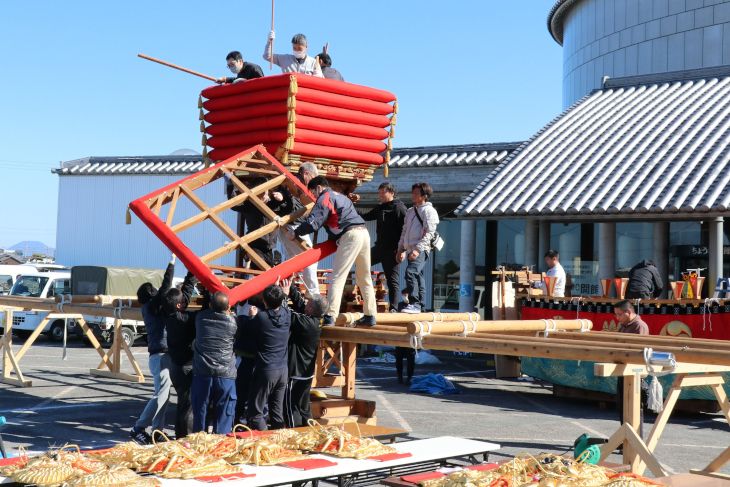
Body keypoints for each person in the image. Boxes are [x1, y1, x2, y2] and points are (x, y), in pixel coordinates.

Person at [286, 177, 377, 326]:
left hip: (350, 236)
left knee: (337, 276)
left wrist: (295, 232)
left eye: (314, 192)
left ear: (319, 188)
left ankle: (330, 316)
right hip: (363, 233)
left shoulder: (325, 198)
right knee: (364, 277)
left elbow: (314, 223)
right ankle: (370, 315)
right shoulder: (341, 197)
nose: (314, 196)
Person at [130, 255, 175, 444]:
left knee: (163, 395)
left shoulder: (148, 308)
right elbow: (166, 287)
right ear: (151, 294)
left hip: (157, 356)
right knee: (161, 395)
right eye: (154, 291)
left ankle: (157, 431)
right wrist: (171, 264)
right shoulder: (152, 306)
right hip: (161, 356)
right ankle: (139, 427)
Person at [278, 276, 327, 427]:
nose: (305, 303)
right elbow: (301, 305)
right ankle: (309, 436)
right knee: (304, 408)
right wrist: (291, 286)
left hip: (296, 372)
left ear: (311, 309)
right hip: (306, 373)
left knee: (290, 407)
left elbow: (286, 314)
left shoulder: (306, 323)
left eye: (308, 303)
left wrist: (284, 296)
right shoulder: (317, 319)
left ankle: (295, 438)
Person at [269, 162, 321, 296]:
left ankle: (283, 291)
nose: (313, 181)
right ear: (305, 174)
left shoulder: (295, 182)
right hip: (294, 226)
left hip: (287, 226)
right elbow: (285, 192)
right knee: (310, 258)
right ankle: (313, 294)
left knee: (290, 261)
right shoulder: (295, 182)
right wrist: (282, 196)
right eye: (313, 177)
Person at [191, 292, 238, 434]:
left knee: (200, 415)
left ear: (210, 305)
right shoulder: (234, 322)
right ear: (228, 307)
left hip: (202, 373)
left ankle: (198, 447)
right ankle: (221, 448)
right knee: (224, 417)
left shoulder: (200, 318)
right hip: (225, 375)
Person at [246, 284, 292, 431]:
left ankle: (265, 441)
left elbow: (249, 332)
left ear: (264, 300)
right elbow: (281, 305)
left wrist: (251, 317)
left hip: (266, 370)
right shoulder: (287, 314)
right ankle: (278, 445)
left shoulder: (261, 318)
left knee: (255, 413)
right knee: (277, 413)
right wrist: (283, 293)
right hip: (282, 370)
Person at [356, 182, 407, 312]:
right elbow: (366, 216)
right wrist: (349, 206)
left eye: (382, 192)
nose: (380, 195)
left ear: (391, 193)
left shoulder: (399, 208)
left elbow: (405, 230)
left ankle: (394, 308)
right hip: (379, 248)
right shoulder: (379, 208)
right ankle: (366, 299)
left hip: (393, 251)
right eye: (379, 193)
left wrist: (403, 250)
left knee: (392, 280)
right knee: (360, 264)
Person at [162, 270, 200, 439]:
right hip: (186, 368)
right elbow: (205, 311)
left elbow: (184, 293)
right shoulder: (185, 320)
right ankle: (186, 438)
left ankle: (179, 435)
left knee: (182, 404)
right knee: (188, 406)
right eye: (184, 300)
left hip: (175, 367)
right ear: (179, 305)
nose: (186, 299)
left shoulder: (168, 312)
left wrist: (191, 272)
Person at [397, 183, 440, 314]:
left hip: (420, 249)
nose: (413, 195)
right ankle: (420, 306)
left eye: (416, 193)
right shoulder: (410, 211)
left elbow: (429, 233)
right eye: (413, 192)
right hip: (410, 249)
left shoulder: (429, 211)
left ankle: (414, 303)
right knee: (418, 277)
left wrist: (417, 249)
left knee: (411, 273)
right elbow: (404, 231)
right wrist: (401, 249)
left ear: (424, 196)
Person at [613, 299, 649, 443]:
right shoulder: (624, 325)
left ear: (628, 312)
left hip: (635, 373)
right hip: (624, 370)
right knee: (622, 407)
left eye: (619, 314)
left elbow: (637, 350)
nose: (617, 318)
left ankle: (636, 440)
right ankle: (625, 438)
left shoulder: (639, 326)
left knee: (634, 409)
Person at [229, 176, 278, 271]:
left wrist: (283, 196)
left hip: (269, 246)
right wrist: (230, 186)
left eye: (265, 187)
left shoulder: (274, 202)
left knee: (269, 272)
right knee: (261, 269)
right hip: (255, 244)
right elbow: (234, 204)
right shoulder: (249, 204)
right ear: (254, 190)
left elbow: (288, 208)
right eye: (260, 188)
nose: (263, 191)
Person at [232, 291, 264, 425]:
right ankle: (240, 424)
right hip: (243, 360)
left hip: (257, 360)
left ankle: (247, 423)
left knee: (254, 397)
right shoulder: (244, 306)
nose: (260, 294)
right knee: (241, 395)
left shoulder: (264, 310)